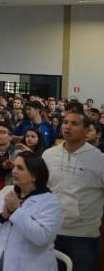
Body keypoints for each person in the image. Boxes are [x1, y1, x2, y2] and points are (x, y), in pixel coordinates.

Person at [0, 151, 62, 271]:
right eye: (14, 166)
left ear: (35, 175)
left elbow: (42, 237)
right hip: (2, 264)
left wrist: (16, 211)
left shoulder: (50, 202)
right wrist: (2, 216)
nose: (14, 171)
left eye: (20, 168)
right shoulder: (7, 191)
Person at [43, 112, 104, 271]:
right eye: (65, 122)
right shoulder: (49, 155)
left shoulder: (99, 160)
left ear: (86, 130)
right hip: (50, 231)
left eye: (74, 124)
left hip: (83, 236)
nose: (67, 126)